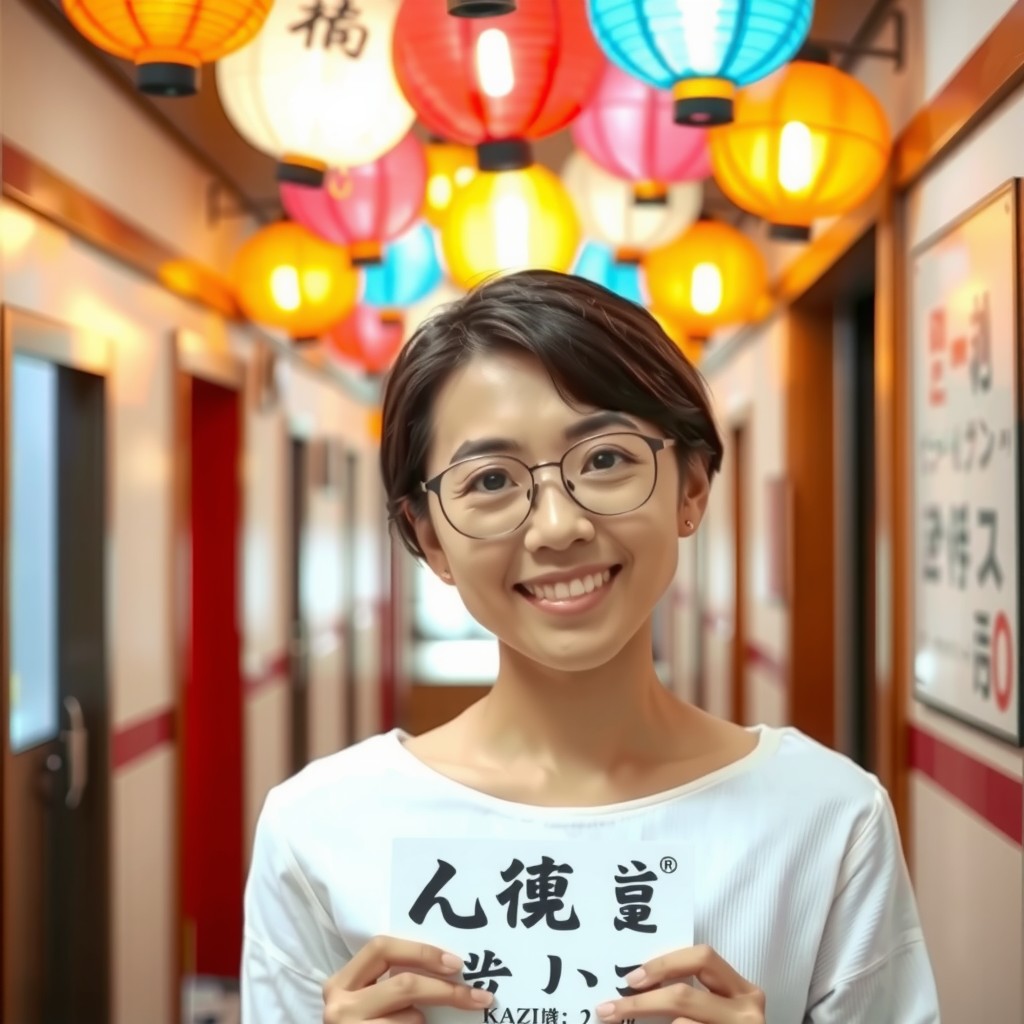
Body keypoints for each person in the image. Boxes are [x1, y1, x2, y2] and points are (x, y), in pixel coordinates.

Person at [241, 270, 940, 1023]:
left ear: (692, 486)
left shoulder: (828, 820)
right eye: (490, 480)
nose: (556, 527)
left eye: (605, 459)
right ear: (429, 538)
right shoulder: (318, 830)